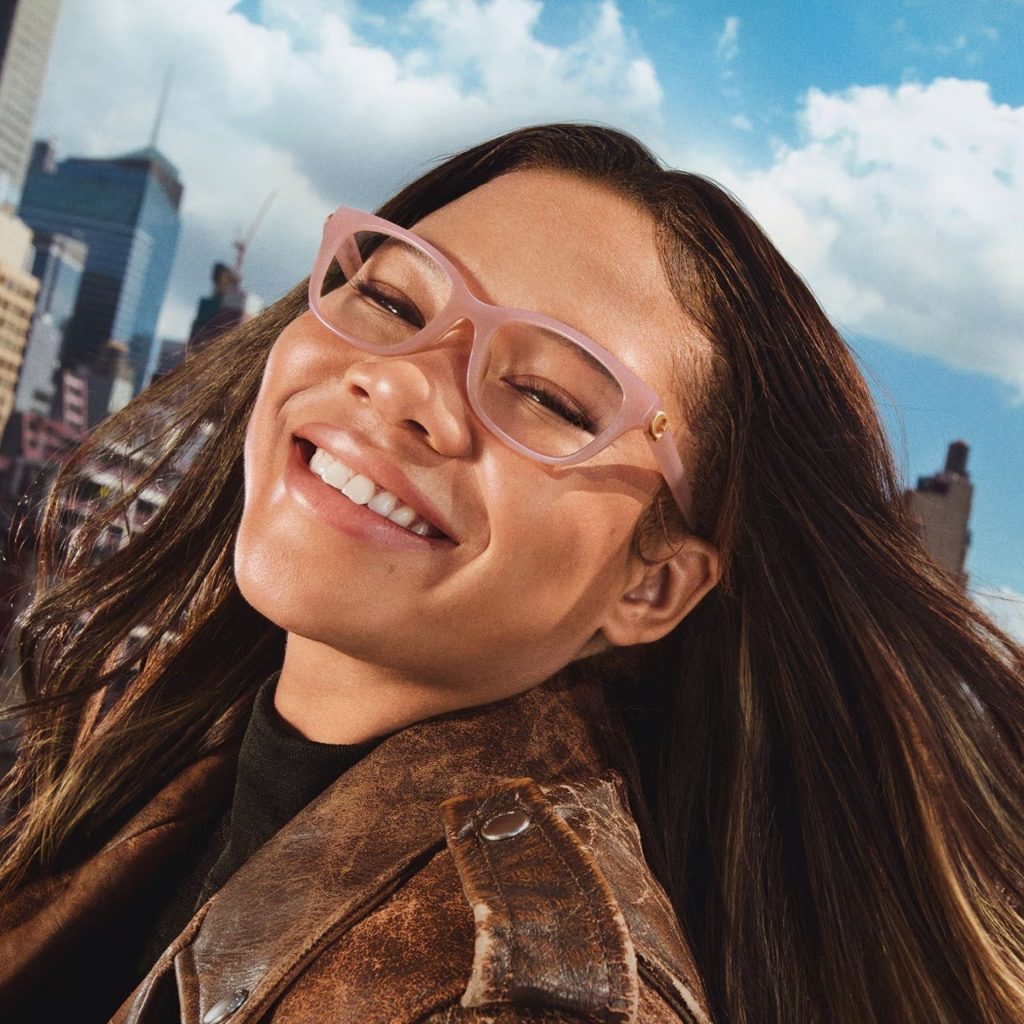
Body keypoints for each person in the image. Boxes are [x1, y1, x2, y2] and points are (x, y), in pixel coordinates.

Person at [1, 123, 1022, 1024]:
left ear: (651, 585)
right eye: (393, 298)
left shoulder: (527, 993)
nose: (403, 381)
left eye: (546, 393)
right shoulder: (148, 738)